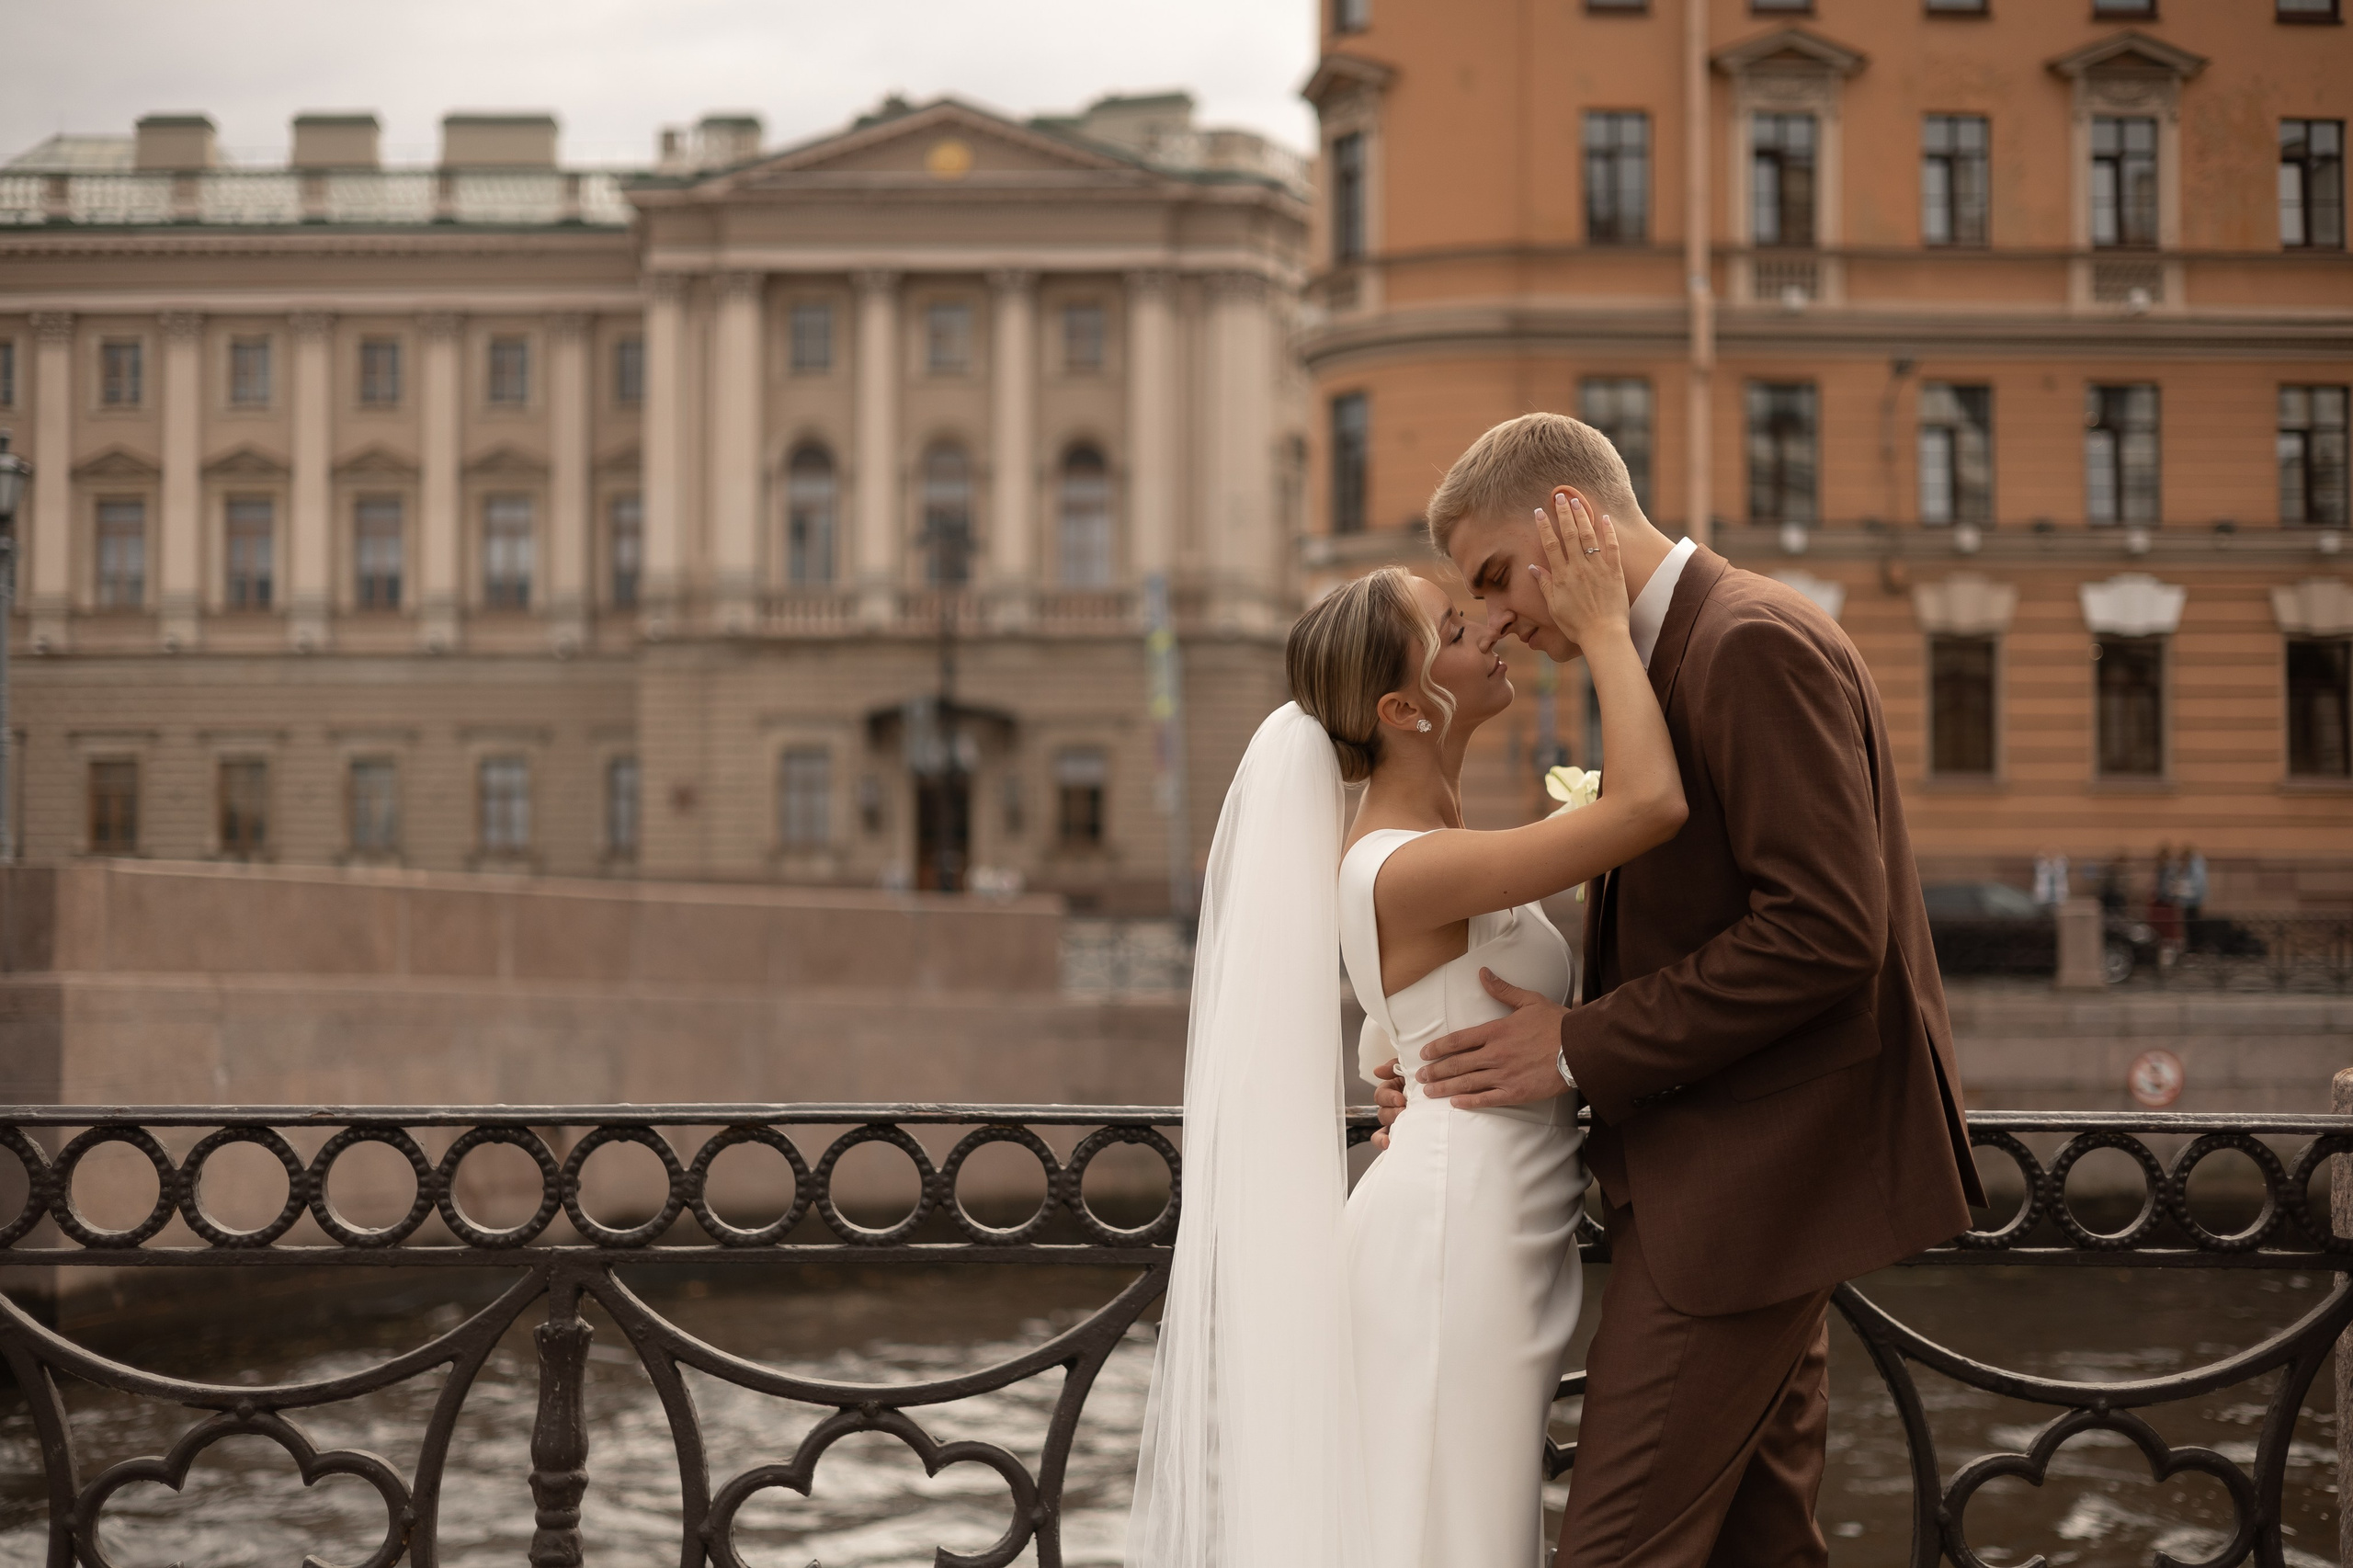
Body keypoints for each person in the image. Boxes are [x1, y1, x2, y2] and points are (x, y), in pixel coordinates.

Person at [1381, 411, 1983, 1567]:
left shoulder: (1743, 639)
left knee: (1613, 1549)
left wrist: (1573, 1047)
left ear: (1576, 519)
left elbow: (1823, 932)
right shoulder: (1679, 647)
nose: (1499, 615)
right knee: (1762, 1548)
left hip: (1747, 1189)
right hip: (1735, 1180)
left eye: (1500, 576)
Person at [1128, 495, 1685, 1566]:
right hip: (1450, 1240)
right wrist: (1608, 629)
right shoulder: (1405, 861)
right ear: (1404, 707)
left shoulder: (1430, 838)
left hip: (1481, 1216)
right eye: (1452, 623)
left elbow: (1401, 1029)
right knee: (1448, 1532)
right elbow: (1652, 805)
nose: (1488, 621)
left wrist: (1399, 1076)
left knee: (1452, 1522)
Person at [2033, 845, 2070, 911]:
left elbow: (2063, 861)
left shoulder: (2059, 868)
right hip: (2045, 896)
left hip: (2055, 895)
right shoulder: (2043, 867)